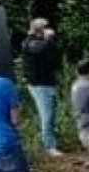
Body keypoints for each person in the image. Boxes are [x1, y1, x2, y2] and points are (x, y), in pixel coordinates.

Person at [20, 18, 64, 156]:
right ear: (40, 30)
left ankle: (52, 141)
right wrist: (49, 38)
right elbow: (40, 49)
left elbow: (55, 53)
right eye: (46, 27)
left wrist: (50, 40)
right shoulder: (30, 43)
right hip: (39, 85)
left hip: (47, 82)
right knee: (47, 115)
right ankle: (49, 146)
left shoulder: (42, 41)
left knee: (50, 114)